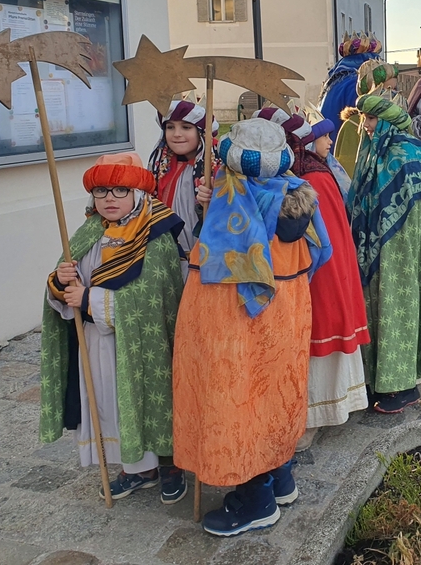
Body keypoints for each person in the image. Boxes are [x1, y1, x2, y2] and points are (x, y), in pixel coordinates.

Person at [172, 119, 332, 536]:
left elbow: (221, 253)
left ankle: (255, 499)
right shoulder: (293, 191)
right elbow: (318, 251)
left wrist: (213, 203)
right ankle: (280, 478)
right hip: (286, 316)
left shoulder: (236, 197)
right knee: (275, 392)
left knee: (241, 398)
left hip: (238, 322)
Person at [39, 153, 186, 503]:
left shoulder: (156, 234)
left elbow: (154, 297)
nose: (109, 198)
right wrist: (60, 282)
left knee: (154, 401)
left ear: (138, 193)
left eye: (120, 190)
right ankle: (137, 469)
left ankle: (170, 465)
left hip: (146, 343)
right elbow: (65, 286)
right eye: (102, 191)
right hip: (97, 341)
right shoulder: (89, 231)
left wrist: (89, 298)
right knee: (110, 403)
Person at [254, 107, 370, 447]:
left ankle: (317, 412)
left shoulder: (313, 178)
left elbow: (324, 241)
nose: (329, 141)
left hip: (314, 273)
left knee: (316, 332)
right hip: (293, 271)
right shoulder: (290, 175)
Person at [347, 94, 421, 413]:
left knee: (397, 309)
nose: (365, 125)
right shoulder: (372, 150)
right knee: (376, 310)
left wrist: (395, 249)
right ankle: (379, 379)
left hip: (401, 251)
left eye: (371, 119)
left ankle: (403, 386)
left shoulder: (408, 152)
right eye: (364, 118)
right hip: (374, 247)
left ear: (388, 121)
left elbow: (417, 210)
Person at [147, 100, 219, 279]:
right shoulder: (159, 168)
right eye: (170, 127)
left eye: (186, 127)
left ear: (201, 132)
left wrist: (216, 196)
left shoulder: (218, 170)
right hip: (168, 258)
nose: (176, 134)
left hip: (206, 260)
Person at [334, 59, 405, 178]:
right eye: (387, 89)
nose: (393, 95)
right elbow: (347, 173)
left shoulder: (395, 124)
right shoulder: (351, 126)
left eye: (394, 89)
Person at [319, 32, 383, 143]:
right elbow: (359, 124)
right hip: (346, 146)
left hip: (328, 144)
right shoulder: (357, 83)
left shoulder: (333, 80)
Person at [309, 116, 351, 201]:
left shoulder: (330, 166)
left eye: (329, 136)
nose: (330, 141)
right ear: (311, 141)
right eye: (325, 136)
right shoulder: (313, 174)